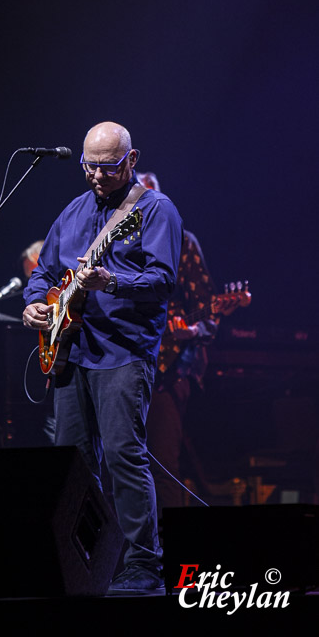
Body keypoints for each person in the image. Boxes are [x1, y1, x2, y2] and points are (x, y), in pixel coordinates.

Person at [23, 121, 183, 593]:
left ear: (131, 161)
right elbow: (44, 273)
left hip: (123, 352)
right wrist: (34, 304)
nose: (96, 175)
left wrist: (111, 281)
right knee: (72, 463)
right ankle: (85, 561)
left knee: (122, 455)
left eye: (108, 167)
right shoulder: (73, 211)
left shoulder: (154, 211)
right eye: (89, 166)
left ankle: (142, 564)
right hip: (72, 350)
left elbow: (163, 281)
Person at [137, 172, 219, 518]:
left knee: (164, 462)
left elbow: (208, 313)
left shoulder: (184, 243)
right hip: (127, 361)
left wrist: (190, 330)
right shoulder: (119, 242)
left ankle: (171, 552)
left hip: (169, 369)